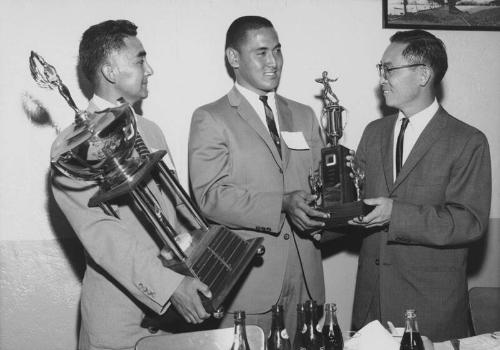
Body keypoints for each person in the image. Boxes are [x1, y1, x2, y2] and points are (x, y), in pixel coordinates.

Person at [52, 19, 211, 350]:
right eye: (140, 59)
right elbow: (104, 237)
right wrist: (170, 287)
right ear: (110, 71)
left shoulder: (150, 131)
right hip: (118, 326)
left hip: (176, 320)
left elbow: (178, 209)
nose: (149, 69)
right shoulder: (72, 150)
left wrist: (207, 258)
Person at [188, 16, 328, 337]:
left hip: (307, 278)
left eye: (278, 51)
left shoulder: (305, 114)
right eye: (261, 52)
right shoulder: (211, 117)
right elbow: (211, 197)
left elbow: (320, 183)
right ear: (234, 58)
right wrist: (281, 204)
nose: (274, 62)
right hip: (249, 280)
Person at [349, 29, 491, 341]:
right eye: (381, 69)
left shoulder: (468, 141)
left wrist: (395, 214)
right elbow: (358, 203)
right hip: (371, 307)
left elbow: (469, 222)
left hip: (430, 312)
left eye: (389, 69)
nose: (382, 78)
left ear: (423, 74)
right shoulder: (373, 132)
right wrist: (321, 215)